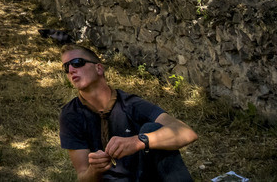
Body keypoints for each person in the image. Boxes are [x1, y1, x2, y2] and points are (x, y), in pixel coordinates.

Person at [58, 44, 197, 181]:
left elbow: (186, 133)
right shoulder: (71, 114)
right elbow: (82, 177)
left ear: (99, 68)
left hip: (142, 177)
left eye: (77, 63)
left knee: (152, 130)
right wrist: (94, 170)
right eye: (66, 67)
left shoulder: (131, 104)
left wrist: (139, 141)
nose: (70, 70)